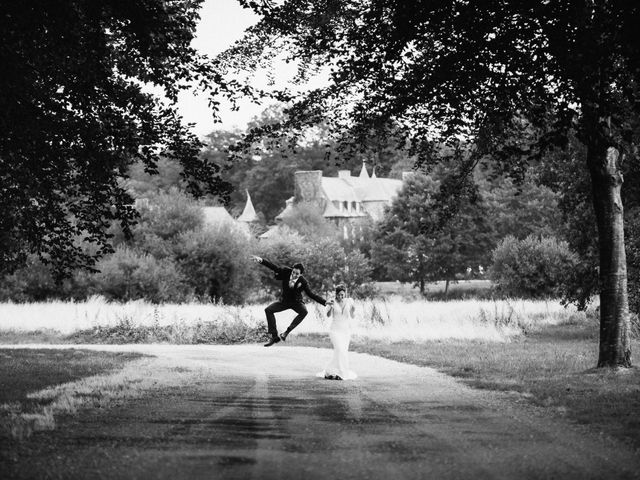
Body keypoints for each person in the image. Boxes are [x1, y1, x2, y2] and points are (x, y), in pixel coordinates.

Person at [252, 255, 328, 347]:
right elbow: (273, 267)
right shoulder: (286, 272)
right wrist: (261, 260)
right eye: (293, 272)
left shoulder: (303, 282)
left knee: (304, 311)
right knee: (268, 310)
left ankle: (286, 332)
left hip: (296, 302)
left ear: (300, 274)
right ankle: (274, 337)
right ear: (292, 270)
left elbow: (311, 294)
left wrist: (325, 302)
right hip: (284, 301)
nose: (294, 275)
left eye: (297, 274)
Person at [318, 285, 357, 380]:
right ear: (336, 294)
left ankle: (330, 371)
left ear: (345, 294)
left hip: (346, 331)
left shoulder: (350, 301)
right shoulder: (332, 301)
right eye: (339, 295)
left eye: (342, 295)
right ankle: (342, 374)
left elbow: (352, 316)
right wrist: (330, 307)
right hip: (335, 330)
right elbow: (328, 315)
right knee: (339, 349)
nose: (340, 297)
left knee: (341, 352)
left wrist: (353, 310)